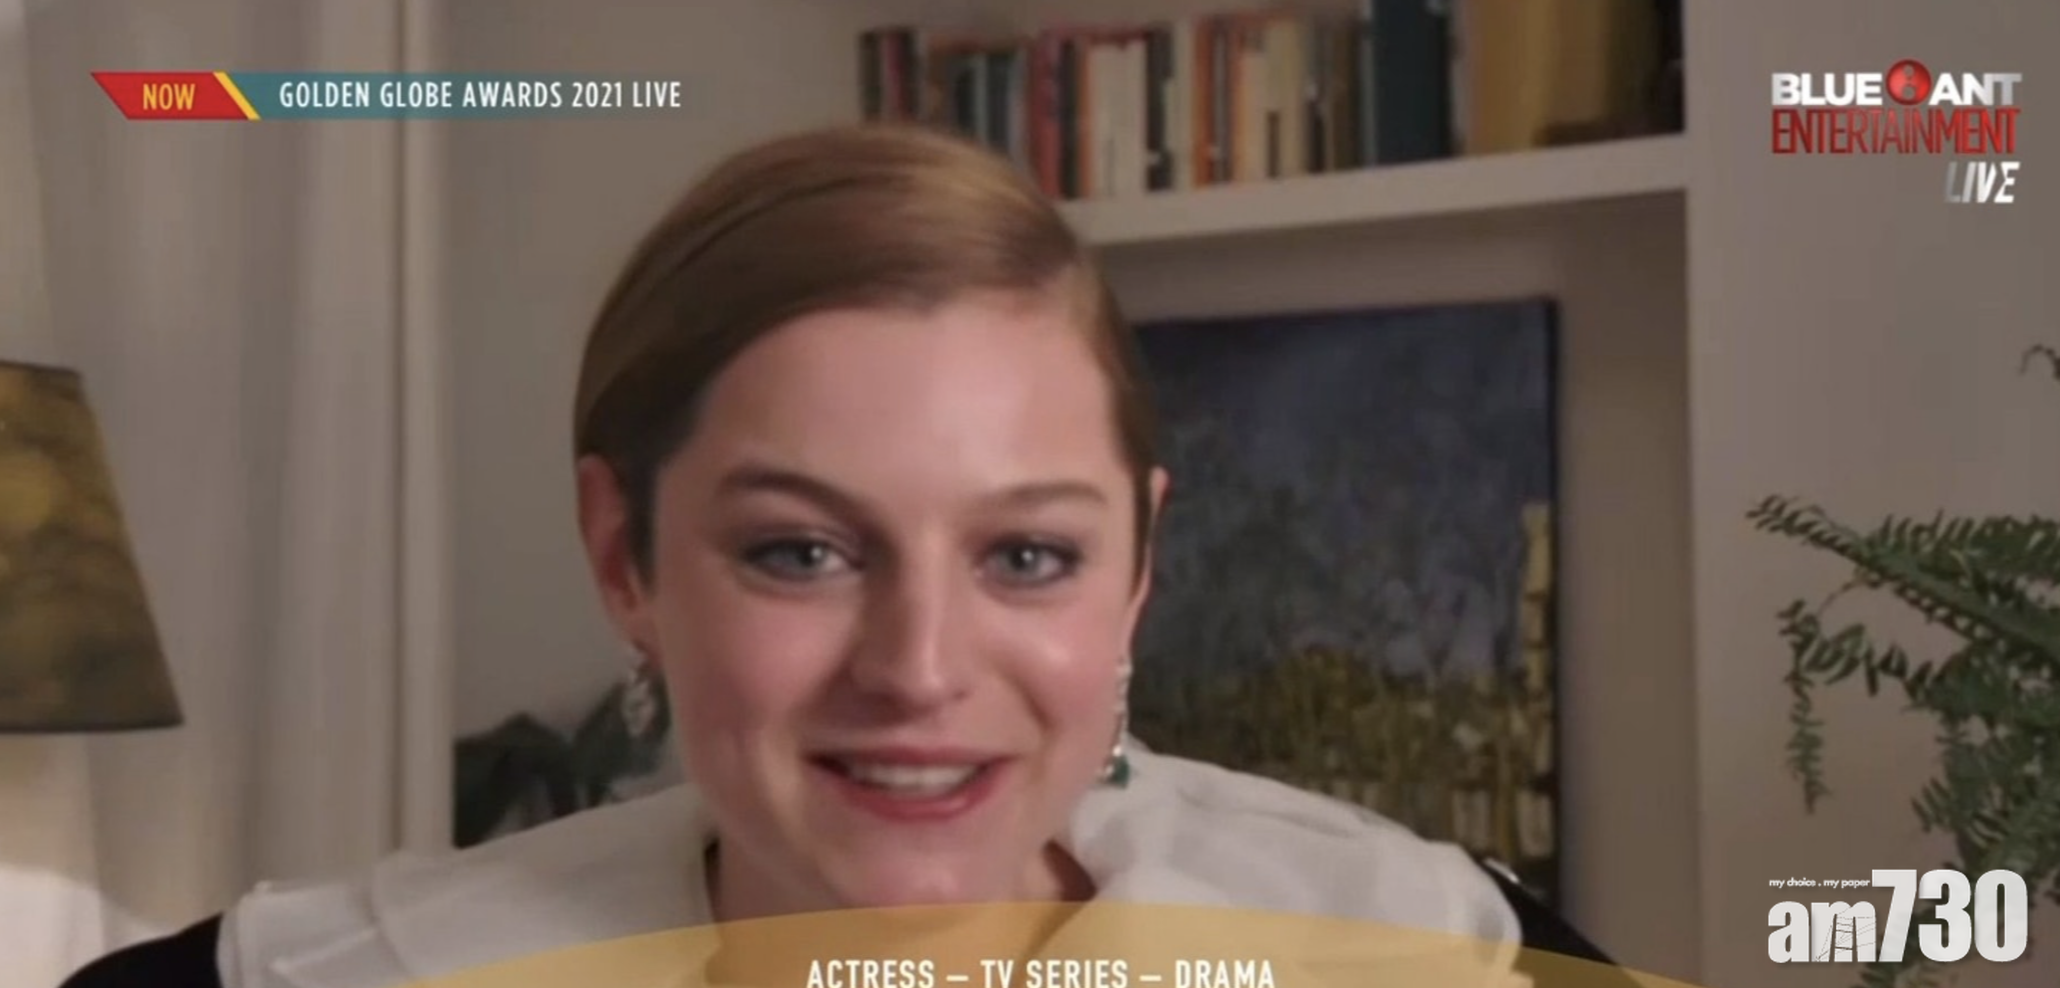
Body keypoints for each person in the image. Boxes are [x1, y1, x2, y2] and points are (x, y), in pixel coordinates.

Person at [62, 124, 1621, 988]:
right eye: (802, 551)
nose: (920, 669)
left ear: (1140, 566)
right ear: (624, 557)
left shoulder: (1432, 954)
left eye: (1028, 555)